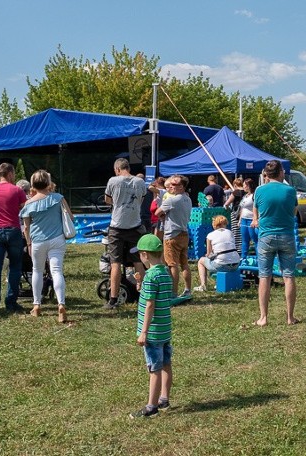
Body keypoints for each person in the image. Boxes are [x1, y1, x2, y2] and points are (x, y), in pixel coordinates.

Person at [129, 234, 173, 418]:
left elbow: (149, 304)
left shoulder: (151, 277)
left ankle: (151, 407)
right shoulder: (164, 273)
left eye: (139, 254)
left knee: (154, 369)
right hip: (165, 329)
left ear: (145, 255)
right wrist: (140, 283)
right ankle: (164, 399)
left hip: (153, 331)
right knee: (166, 365)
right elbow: (157, 295)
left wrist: (143, 332)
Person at [20, 170, 73, 323]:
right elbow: (70, 216)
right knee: (57, 271)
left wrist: (29, 243)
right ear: (48, 183)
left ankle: (36, 306)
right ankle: (61, 304)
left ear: (33, 184)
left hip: (37, 241)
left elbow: (26, 227)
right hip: (57, 239)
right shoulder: (58, 198)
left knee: (37, 270)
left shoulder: (28, 203)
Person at [251, 160, 299, 326]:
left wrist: (257, 219)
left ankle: (263, 318)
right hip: (286, 235)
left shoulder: (259, 190)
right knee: (289, 276)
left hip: (266, 237)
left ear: (266, 174)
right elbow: (294, 212)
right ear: (281, 172)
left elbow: (255, 211)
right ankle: (290, 317)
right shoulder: (290, 191)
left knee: (264, 276)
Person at [103, 158, 148, 309]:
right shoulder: (140, 182)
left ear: (117, 169)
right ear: (128, 167)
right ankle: (143, 294)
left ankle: (113, 299)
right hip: (135, 226)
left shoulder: (113, 181)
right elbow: (141, 200)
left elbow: (107, 200)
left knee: (115, 262)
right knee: (138, 261)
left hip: (117, 227)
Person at [0, 163, 28, 318]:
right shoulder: (17, 190)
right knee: (15, 266)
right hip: (13, 230)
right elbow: (24, 209)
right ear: (9, 173)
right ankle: (11, 300)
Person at [157, 174, 192, 297]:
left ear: (182, 186)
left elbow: (157, 212)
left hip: (172, 235)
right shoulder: (188, 199)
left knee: (172, 265)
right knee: (184, 264)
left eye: (175, 184)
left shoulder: (171, 200)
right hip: (184, 233)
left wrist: (163, 214)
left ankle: (173, 292)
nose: (172, 186)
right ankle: (188, 290)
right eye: (171, 184)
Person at [194, 215, 240, 292]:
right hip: (236, 263)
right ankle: (219, 283)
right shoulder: (230, 233)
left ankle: (203, 285)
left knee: (201, 261)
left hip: (222, 264)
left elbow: (209, 254)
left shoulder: (210, 235)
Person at [237, 178, 257, 260]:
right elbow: (242, 208)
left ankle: (259, 258)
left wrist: (255, 220)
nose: (244, 187)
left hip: (251, 220)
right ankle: (243, 257)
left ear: (249, 186)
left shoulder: (254, 195)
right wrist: (239, 220)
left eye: (245, 185)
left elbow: (256, 207)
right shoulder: (245, 196)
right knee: (244, 240)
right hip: (244, 220)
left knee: (255, 239)